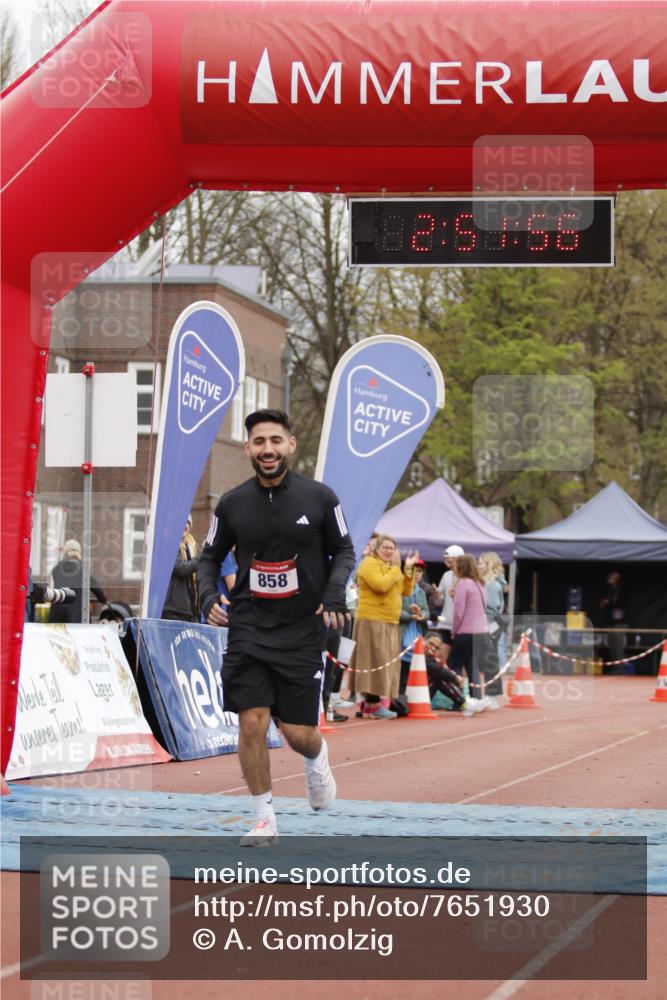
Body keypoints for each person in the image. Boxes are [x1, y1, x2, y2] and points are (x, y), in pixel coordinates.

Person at [198, 409, 355, 846]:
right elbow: (208, 558)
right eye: (258, 441)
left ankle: (316, 757)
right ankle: (265, 819)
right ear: (248, 447)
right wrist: (211, 598)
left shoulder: (321, 498)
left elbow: (344, 551)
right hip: (248, 626)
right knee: (251, 723)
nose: (267, 449)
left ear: (290, 445)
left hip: (302, 630)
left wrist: (335, 591)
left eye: (275, 440)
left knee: (297, 733)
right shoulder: (232, 503)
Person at [348, 535, 418, 719]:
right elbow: (380, 585)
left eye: (392, 548)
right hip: (372, 620)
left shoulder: (390, 568)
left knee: (382, 662)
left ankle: (371, 705)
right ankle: (373, 704)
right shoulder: (369, 564)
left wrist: (408, 568)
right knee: (373, 661)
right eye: (385, 547)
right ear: (376, 548)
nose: (389, 551)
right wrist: (396, 568)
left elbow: (406, 590)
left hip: (388, 621)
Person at [448, 554, 490, 699]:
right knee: (472, 665)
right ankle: (476, 697)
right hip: (481, 630)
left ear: (461, 567)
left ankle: (458, 699)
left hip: (466, 631)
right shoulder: (480, 583)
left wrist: (454, 631)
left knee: (454, 664)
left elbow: (459, 612)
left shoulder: (463, 583)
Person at [424, 632, 487, 716]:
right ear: (423, 640)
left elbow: (439, 668)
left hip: (421, 693)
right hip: (412, 695)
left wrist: (455, 677)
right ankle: (465, 703)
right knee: (438, 677)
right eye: (431, 644)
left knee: (440, 676)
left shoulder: (430, 656)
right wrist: (455, 678)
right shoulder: (417, 653)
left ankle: (465, 703)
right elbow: (436, 669)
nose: (433, 648)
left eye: (436, 647)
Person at [49, 539, 107, 623]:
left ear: (65, 552)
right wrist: (103, 599)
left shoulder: (56, 569)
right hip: (78, 615)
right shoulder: (83, 569)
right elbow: (95, 587)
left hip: (58, 614)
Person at [477, 551, 507, 708]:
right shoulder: (482, 583)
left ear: (489, 565)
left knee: (490, 662)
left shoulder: (493, 585)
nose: (478, 565)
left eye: (481, 562)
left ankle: (492, 695)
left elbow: (492, 610)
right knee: (484, 662)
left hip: (489, 629)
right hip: (483, 627)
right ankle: (485, 695)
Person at [399, 561, 430, 696]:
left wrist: (420, 615)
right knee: (402, 671)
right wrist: (411, 616)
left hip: (416, 634)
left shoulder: (421, 591)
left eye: (419, 571)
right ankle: (399, 699)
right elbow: (395, 612)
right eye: (412, 571)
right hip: (401, 634)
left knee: (415, 668)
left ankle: (409, 699)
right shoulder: (399, 588)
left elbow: (426, 612)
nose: (416, 574)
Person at [162, 518, 200, 622]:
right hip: (174, 609)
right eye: (181, 521)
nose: (184, 525)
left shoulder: (193, 546)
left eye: (187, 522)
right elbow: (181, 569)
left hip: (192, 610)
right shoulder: (168, 544)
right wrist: (200, 558)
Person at [436, 544, 465, 660]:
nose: (446, 563)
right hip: (445, 623)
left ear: (458, 560)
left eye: (449, 561)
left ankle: (462, 679)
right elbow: (440, 601)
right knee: (441, 657)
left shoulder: (467, 577)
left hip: (462, 626)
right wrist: (437, 595)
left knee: (459, 660)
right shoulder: (446, 575)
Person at [600, 570, 626, 667]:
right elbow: (607, 603)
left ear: (617, 578)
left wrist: (609, 603)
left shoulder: (622, 590)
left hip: (619, 622)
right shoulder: (610, 590)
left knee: (618, 646)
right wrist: (605, 603)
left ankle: (620, 668)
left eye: (612, 577)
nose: (610, 579)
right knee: (611, 646)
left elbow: (622, 604)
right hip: (610, 622)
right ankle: (615, 667)